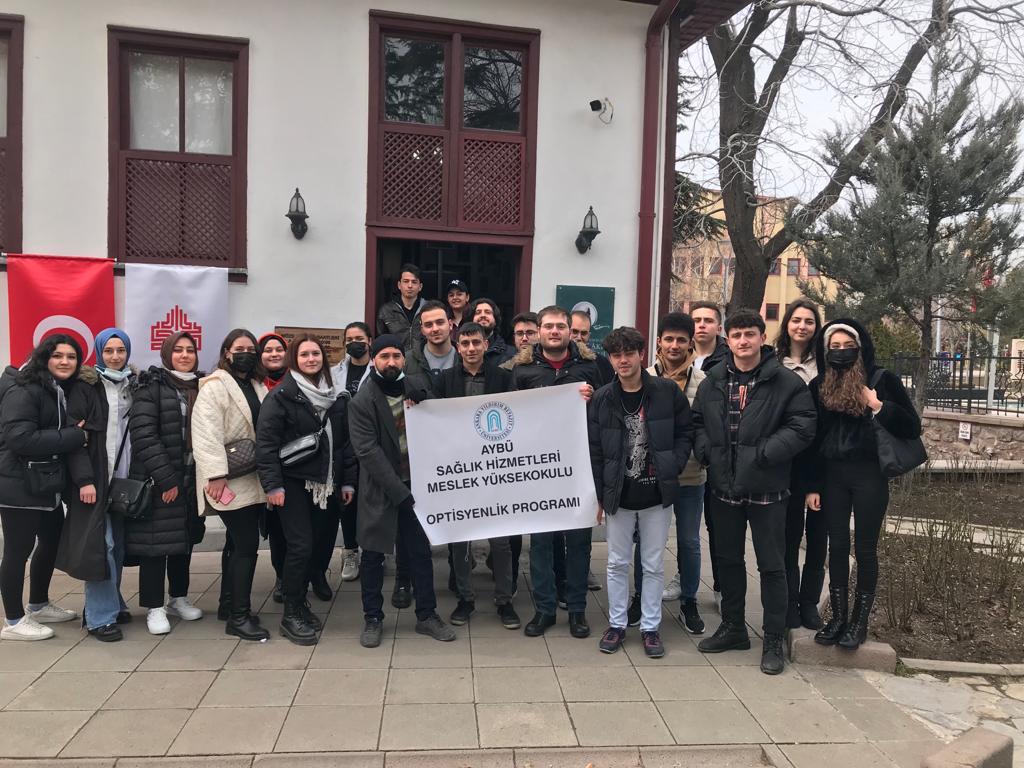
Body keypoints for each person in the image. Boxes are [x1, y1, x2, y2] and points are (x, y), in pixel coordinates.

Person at [692, 309, 816, 675]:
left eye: (750, 334)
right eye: (737, 335)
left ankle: (773, 637)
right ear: (727, 339)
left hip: (768, 489)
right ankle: (733, 627)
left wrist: (765, 453)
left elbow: (803, 425)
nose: (743, 341)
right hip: (724, 489)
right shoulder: (713, 380)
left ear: (762, 338)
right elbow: (697, 421)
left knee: (772, 565)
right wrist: (706, 453)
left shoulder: (786, 383)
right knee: (728, 560)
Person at [806, 319, 921, 650]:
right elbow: (814, 438)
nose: (842, 353)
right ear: (826, 351)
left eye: (848, 346)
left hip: (869, 474)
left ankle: (859, 621)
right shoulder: (819, 385)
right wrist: (813, 484)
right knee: (837, 547)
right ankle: (838, 617)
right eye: (835, 347)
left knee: (866, 549)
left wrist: (878, 406)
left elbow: (912, 426)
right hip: (832, 476)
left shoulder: (882, 379)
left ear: (861, 346)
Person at [589, 327, 693, 658]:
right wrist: (600, 493)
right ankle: (618, 624)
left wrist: (673, 465)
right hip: (619, 494)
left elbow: (685, 431)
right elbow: (594, 449)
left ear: (641, 355)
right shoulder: (603, 398)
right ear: (611, 358)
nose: (623, 360)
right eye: (616, 355)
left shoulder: (666, 392)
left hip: (656, 494)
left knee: (652, 564)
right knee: (617, 562)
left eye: (628, 353)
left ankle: (650, 627)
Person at [349, 335, 456, 647]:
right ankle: (372, 618)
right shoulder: (363, 400)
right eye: (384, 356)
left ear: (403, 359)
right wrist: (399, 492)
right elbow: (367, 452)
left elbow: (441, 421)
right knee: (372, 554)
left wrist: (425, 402)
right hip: (382, 490)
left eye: (396, 355)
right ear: (373, 360)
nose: (391, 362)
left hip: (417, 485)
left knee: (420, 553)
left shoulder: (414, 386)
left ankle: (427, 615)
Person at [256, 334, 357, 645]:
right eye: (304, 355)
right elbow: (267, 445)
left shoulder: (335, 396)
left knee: (314, 545)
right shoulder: (282, 395)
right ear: (294, 360)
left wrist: (347, 480)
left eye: (316, 354)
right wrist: (272, 485)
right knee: (299, 546)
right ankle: (291, 612)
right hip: (293, 483)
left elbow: (343, 444)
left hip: (325, 483)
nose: (311, 359)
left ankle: (300, 601)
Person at [509, 305, 601, 639]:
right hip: (538, 470)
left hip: (579, 468)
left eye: (560, 326)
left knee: (578, 544)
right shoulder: (520, 371)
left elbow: (607, 407)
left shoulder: (591, 366)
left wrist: (594, 398)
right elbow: (509, 419)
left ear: (568, 330)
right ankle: (544, 610)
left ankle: (577, 610)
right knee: (541, 545)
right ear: (538, 331)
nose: (554, 331)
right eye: (548, 326)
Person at [0, 335, 87, 641]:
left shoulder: (54, 389)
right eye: (58, 355)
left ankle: (38, 603)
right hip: (18, 485)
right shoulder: (25, 389)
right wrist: (72, 437)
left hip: (44, 485)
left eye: (72, 357)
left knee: (51, 541)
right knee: (17, 551)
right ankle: (13, 619)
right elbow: (20, 439)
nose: (65, 361)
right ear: (43, 358)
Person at [433, 323, 520, 630]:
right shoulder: (444, 380)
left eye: (476, 343)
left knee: (501, 543)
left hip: (496, 473)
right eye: (465, 343)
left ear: (486, 345)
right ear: (457, 347)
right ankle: (465, 599)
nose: (470, 348)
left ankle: (504, 601)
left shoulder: (504, 378)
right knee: (461, 542)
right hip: (461, 473)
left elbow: (521, 418)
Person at [192, 329, 271, 642]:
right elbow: (205, 433)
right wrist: (215, 474)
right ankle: (239, 617)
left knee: (235, 544)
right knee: (247, 544)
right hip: (227, 478)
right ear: (226, 352)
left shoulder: (255, 384)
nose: (246, 353)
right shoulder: (214, 387)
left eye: (251, 348)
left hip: (250, 475)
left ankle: (229, 605)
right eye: (240, 348)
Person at [125, 332, 206, 636]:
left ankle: (178, 598)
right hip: (160, 479)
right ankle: (154, 607)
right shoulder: (151, 385)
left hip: (192, 477)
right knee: (155, 545)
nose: (185, 355)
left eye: (190, 350)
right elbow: (144, 435)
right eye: (179, 350)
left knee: (183, 541)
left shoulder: (202, 384)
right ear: (167, 353)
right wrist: (166, 478)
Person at [74, 329, 136, 641]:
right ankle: (99, 617)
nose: (115, 356)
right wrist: (84, 479)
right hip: (95, 481)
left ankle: (111, 602)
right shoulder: (86, 387)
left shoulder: (132, 384)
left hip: (123, 481)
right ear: (99, 352)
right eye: (109, 350)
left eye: (120, 350)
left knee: (119, 547)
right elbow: (76, 440)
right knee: (104, 547)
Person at [651, 313, 707, 636]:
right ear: (659, 340)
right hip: (651, 477)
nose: (674, 345)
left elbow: (706, 428)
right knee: (648, 542)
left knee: (688, 540)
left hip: (689, 477)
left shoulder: (704, 382)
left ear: (690, 344)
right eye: (668, 339)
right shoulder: (644, 376)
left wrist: (701, 456)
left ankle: (689, 601)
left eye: (680, 340)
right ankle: (641, 598)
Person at [774, 299, 826, 630]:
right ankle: (789, 602)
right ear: (787, 324)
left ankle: (809, 603)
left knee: (818, 539)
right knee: (788, 537)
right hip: (787, 462)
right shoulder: (774, 362)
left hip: (821, 462)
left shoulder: (826, 364)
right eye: (796, 320)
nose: (802, 326)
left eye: (809, 321)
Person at [689, 300, 728, 611]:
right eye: (696, 320)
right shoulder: (677, 354)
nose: (701, 325)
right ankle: (684, 578)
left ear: (718, 326)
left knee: (718, 525)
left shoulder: (727, 361)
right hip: (684, 458)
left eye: (707, 320)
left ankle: (721, 584)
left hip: (716, 457)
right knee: (687, 531)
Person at [330, 321, 374, 583]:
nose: (353, 343)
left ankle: (373, 551)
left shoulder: (379, 368)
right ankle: (350, 551)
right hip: (343, 444)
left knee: (371, 500)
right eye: (349, 339)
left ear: (369, 340)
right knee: (347, 500)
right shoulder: (334, 372)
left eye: (359, 337)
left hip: (370, 443)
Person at [258, 332, 288, 601]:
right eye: (268, 350)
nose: (274, 354)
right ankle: (281, 577)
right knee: (275, 530)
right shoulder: (254, 384)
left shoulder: (297, 382)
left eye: (279, 348)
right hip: (260, 467)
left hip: (291, 467)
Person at [376, 263, 425, 348]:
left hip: (422, 359)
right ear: (399, 285)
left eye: (414, 282)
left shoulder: (428, 309)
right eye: (406, 281)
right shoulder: (386, 311)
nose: (410, 286)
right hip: (396, 358)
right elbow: (381, 341)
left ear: (420, 286)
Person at [404, 300, 456, 379]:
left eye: (440, 322)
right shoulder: (407, 361)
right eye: (428, 325)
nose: (435, 329)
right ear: (422, 330)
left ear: (450, 325)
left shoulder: (464, 357)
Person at [571, 309, 614, 387]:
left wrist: (593, 393)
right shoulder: (555, 357)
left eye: (584, 333)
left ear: (589, 335)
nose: (579, 337)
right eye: (574, 331)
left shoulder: (602, 363)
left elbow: (609, 393)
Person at [470, 298, 516, 364]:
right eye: (478, 312)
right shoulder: (462, 352)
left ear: (495, 320)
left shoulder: (511, 354)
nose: (483, 315)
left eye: (487, 312)